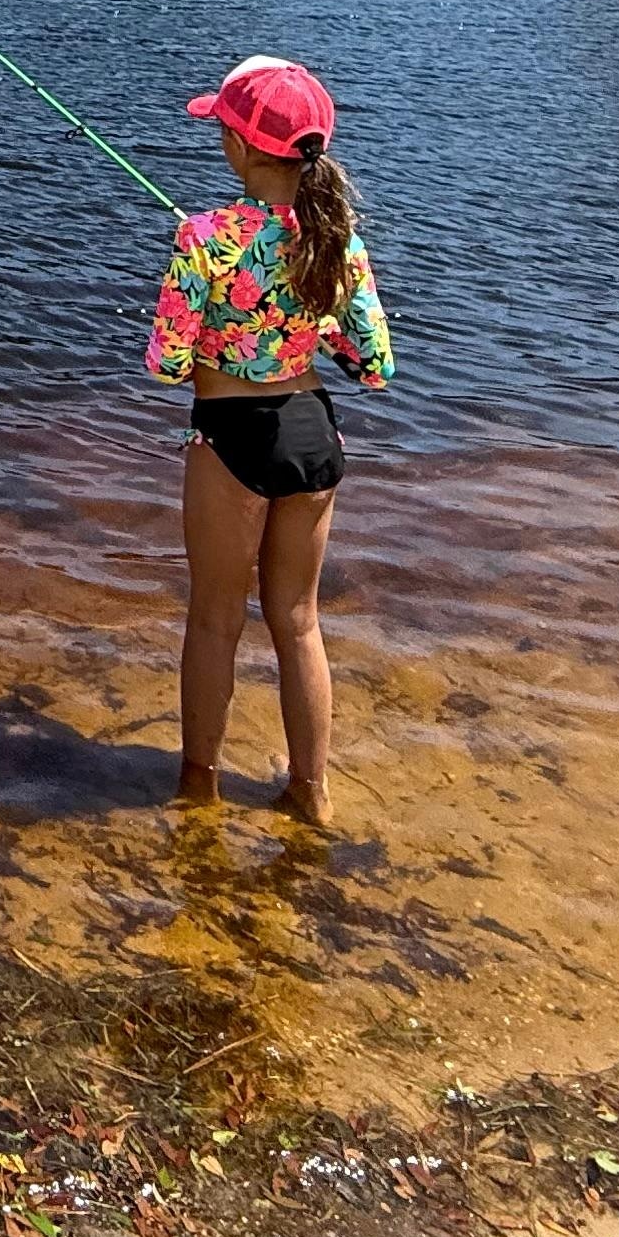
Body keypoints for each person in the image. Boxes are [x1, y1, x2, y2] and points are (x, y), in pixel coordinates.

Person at [148, 53, 391, 828]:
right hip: (313, 437)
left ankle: (199, 786)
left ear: (244, 149)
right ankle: (310, 795)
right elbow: (373, 364)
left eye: (223, 127)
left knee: (216, 617)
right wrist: (316, 330)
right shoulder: (339, 240)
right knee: (299, 621)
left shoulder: (204, 236)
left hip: (229, 436)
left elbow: (167, 363)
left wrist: (215, 325)